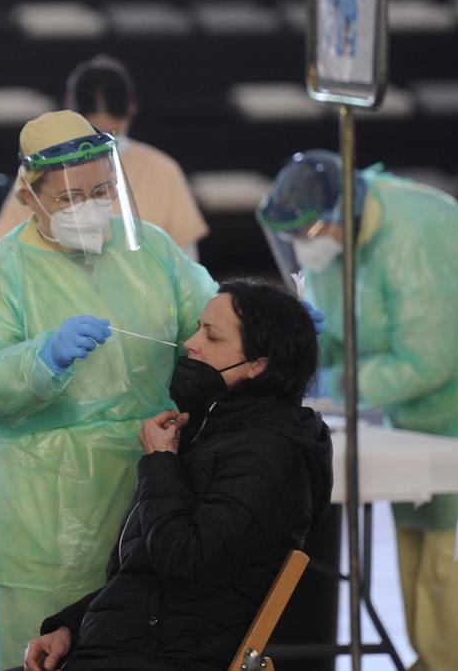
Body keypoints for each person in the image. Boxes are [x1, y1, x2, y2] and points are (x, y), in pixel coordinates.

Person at [0, 109, 218, 670]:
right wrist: (40, 358)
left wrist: (268, 323)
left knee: (126, 644)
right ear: (31, 195)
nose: (91, 205)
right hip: (36, 513)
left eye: (102, 189)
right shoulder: (0, 275)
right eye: (71, 195)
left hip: (144, 489)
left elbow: (208, 323)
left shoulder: (150, 250)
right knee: (34, 650)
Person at [257, 150, 458, 671]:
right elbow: (340, 335)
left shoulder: (419, 235)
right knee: (420, 562)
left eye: (310, 232)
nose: (305, 247)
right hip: (416, 416)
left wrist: (334, 382)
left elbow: (426, 362)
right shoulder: (337, 234)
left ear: (340, 212)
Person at [20, 278, 333, 671]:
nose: (189, 342)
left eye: (211, 336)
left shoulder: (270, 455)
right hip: (135, 650)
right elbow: (143, 573)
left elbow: (187, 565)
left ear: (257, 365)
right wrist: (70, 627)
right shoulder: (215, 432)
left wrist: (160, 462)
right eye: (198, 327)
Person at [0, 55, 208, 260]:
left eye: (110, 135)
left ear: (130, 113)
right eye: (92, 134)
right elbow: (6, 255)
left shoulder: (163, 171)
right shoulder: (44, 170)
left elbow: (185, 264)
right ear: (70, 113)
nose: (100, 148)